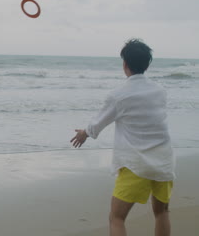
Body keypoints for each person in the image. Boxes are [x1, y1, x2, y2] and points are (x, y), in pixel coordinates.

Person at [70, 39, 175, 236]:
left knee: (116, 218)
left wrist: (83, 133)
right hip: (164, 161)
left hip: (136, 164)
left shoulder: (118, 95)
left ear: (125, 63)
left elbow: (98, 123)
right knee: (162, 212)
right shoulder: (160, 91)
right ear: (147, 64)